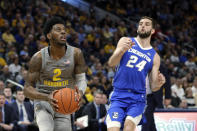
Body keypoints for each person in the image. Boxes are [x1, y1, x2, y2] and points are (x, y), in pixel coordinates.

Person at [24, 16, 87, 131]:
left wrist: (80, 93)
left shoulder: (76, 54)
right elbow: (27, 89)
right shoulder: (38, 58)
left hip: (64, 104)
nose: (63, 31)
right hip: (43, 102)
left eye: (64, 29)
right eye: (58, 29)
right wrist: (46, 97)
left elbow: (81, 79)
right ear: (49, 36)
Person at [106, 16, 166, 131]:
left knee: (129, 127)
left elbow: (153, 87)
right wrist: (121, 50)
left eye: (147, 24)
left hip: (137, 98)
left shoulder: (155, 56)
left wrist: (160, 83)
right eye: (141, 23)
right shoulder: (125, 40)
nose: (143, 25)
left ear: (153, 31)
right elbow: (111, 63)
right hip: (119, 94)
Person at [141, 63, 171, 131]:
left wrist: (167, 96)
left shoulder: (158, 65)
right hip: (139, 97)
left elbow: (167, 81)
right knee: (150, 120)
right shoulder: (135, 64)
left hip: (151, 97)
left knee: (147, 116)